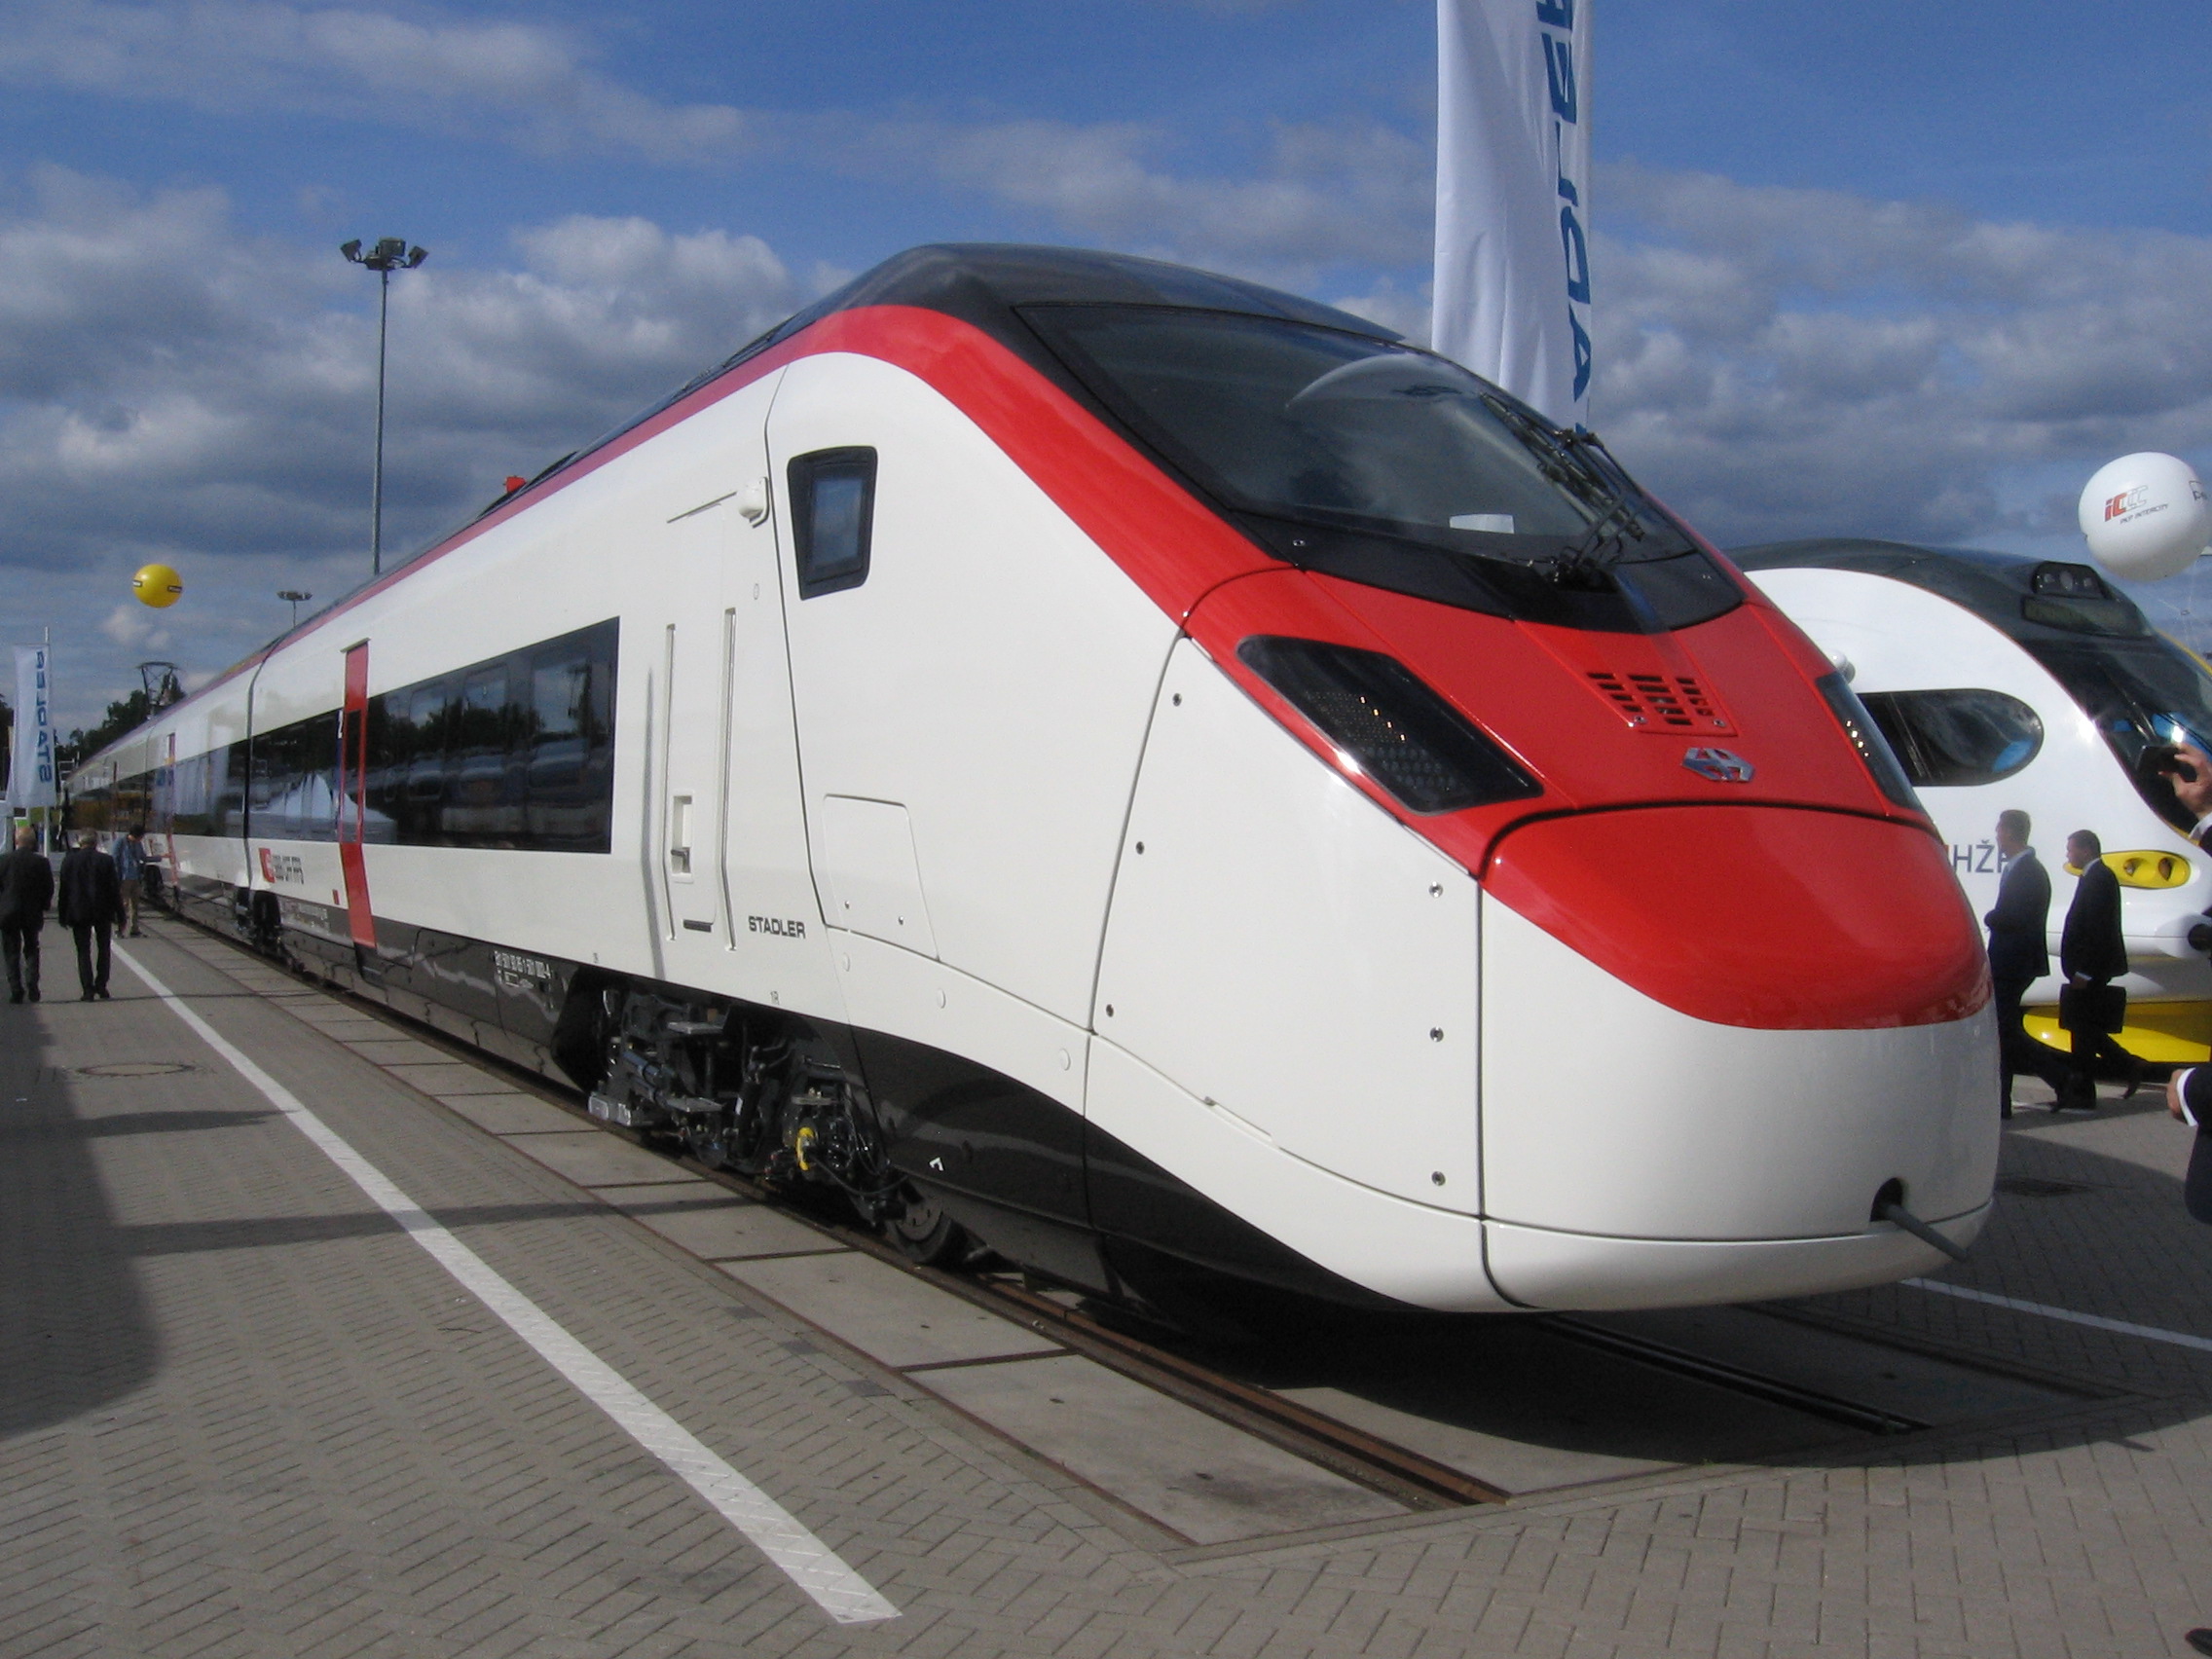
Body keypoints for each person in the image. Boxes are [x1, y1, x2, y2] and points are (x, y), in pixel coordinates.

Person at [2056, 829, 2140, 1109]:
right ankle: (2123, 1069)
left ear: (2087, 849)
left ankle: (2085, 1090)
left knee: (2083, 1031)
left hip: (2091, 969)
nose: (2069, 855)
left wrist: (2085, 972)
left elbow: (2098, 929)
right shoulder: (2091, 877)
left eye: (2072, 849)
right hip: (2086, 967)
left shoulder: (2100, 879)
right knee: (2086, 1031)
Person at [1986, 809, 2062, 1117]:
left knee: (2005, 1031)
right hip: (2012, 961)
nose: (1996, 836)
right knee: (2006, 1031)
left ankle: (2062, 1077)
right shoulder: (2021, 868)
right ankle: (2004, 1100)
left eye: (1999, 830)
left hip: (2014, 962)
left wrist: (1991, 917)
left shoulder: (2028, 871)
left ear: (2009, 832)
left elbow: (2016, 917)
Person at [55, 830, 124, 1001]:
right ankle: (101, 985)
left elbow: (64, 890)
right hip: (102, 911)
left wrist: (62, 914)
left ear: (79, 842)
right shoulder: (106, 860)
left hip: (78, 911)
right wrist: (121, 915)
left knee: (83, 950)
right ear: (96, 843)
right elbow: (114, 890)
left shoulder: (69, 860)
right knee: (104, 949)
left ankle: (87, 989)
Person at [0, 824, 54, 1004]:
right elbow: (48, 888)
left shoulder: (3, 860)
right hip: (32, 912)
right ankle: (32, 985)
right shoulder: (41, 862)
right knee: (31, 948)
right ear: (33, 843)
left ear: (16, 841)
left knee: (11, 951)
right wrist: (44, 905)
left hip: (8, 912)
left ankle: (16, 990)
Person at [113, 825, 148, 938]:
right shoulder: (121, 842)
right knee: (124, 904)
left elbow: (143, 857)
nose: (141, 839)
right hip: (124, 878)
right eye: (141, 837)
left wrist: (161, 857)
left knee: (135, 904)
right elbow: (115, 858)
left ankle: (135, 928)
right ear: (135, 835)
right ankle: (120, 928)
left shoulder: (138, 844)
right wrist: (116, 876)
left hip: (136, 877)